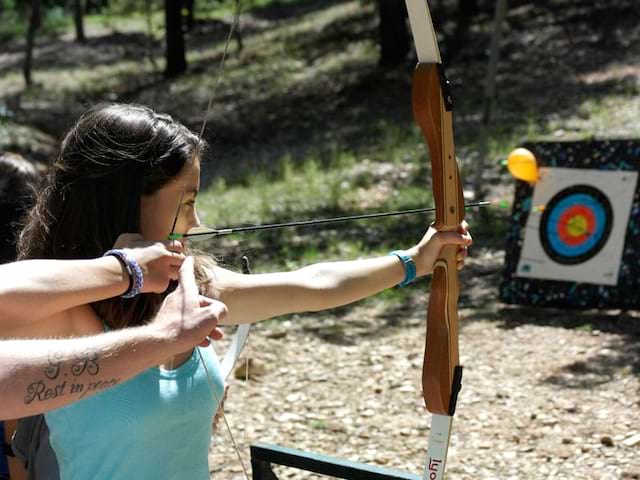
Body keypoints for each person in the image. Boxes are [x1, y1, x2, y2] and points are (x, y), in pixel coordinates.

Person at [7, 103, 472, 480]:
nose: (196, 221)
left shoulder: (189, 288)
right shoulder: (62, 316)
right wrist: (122, 270)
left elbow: (312, 285)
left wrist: (414, 261)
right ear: (126, 201)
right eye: (186, 201)